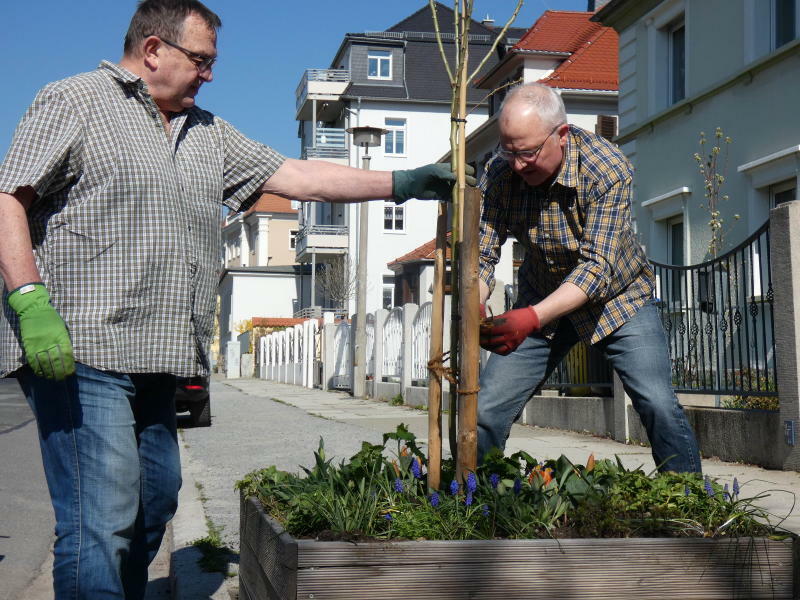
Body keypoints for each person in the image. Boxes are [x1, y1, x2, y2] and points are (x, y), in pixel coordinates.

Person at [0, 1, 468, 598]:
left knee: (157, 495)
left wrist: (401, 183)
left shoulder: (208, 133)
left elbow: (296, 176)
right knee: (100, 515)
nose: (210, 74)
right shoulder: (75, 100)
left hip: (160, 353)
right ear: (152, 50)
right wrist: (29, 298)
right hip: (81, 343)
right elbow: (8, 196)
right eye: (201, 60)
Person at [476, 82, 701, 475]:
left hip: (619, 301)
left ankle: (690, 507)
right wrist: (474, 300)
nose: (516, 164)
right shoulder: (500, 173)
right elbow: (483, 253)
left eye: (527, 153)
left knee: (657, 403)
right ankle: (472, 505)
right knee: (486, 409)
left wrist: (529, 318)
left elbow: (595, 268)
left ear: (561, 135)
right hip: (541, 294)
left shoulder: (607, 169)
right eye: (508, 151)